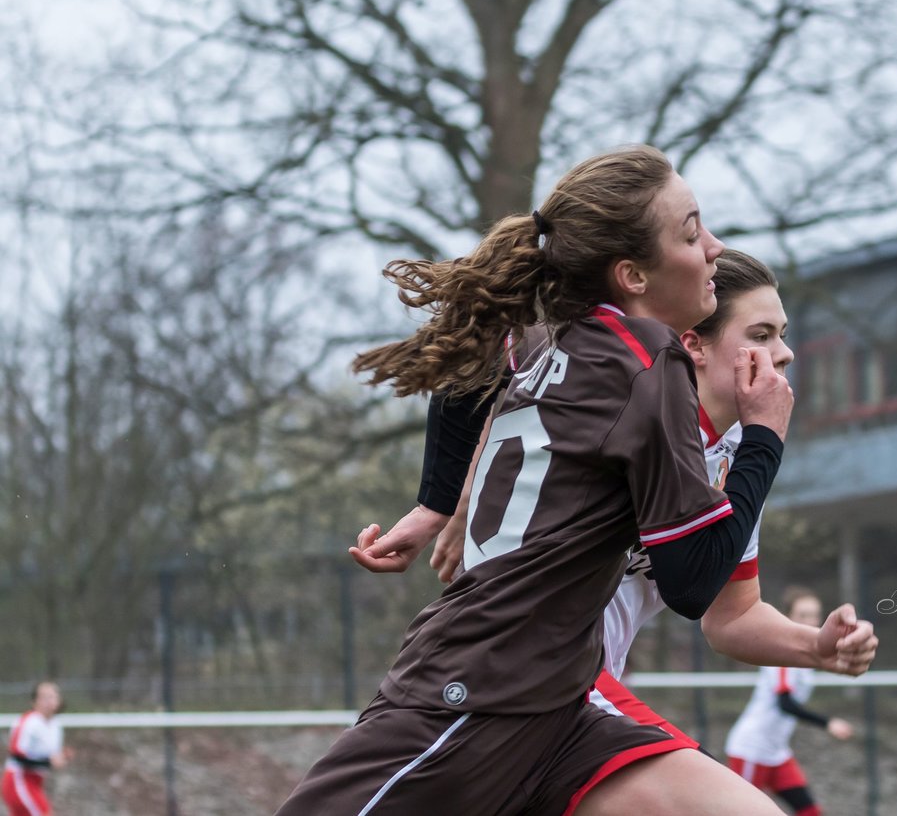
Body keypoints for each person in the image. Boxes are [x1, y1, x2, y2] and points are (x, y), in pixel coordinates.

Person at [278, 145, 795, 815]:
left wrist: (435, 504)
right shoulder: (647, 361)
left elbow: (468, 377)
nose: (715, 249)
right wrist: (764, 438)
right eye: (693, 231)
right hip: (479, 693)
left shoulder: (548, 332)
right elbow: (694, 583)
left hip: (556, 707)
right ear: (633, 274)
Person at [424, 250, 878, 815]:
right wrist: (449, 498)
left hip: (569, 694)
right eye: (761, 333)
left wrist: (816, 647)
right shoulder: (639, 421)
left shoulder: (734, 457)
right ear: (694, 344)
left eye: (783, 334)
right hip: (532, 676)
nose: (784, 353)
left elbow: (730, 615)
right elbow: (501, 366)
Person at [723, 587, 855, 816]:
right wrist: (828, 723)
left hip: (777, 753)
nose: (811, 621)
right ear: (787, 618)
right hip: (751, 749)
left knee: (810, 812)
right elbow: (785, 704)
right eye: (803, 615)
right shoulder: (781, 656)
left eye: (815, 615)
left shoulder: (806, 657)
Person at [3, 682, 69, 816]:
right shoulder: (29, 722)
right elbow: (17, 757)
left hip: (36, 782)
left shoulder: (55, 725)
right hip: (19, 780)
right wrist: (48, 763)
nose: (49, 701)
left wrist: (62, 757)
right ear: (34, 702)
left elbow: (50, 757)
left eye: (52, 696)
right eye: (44, 697)